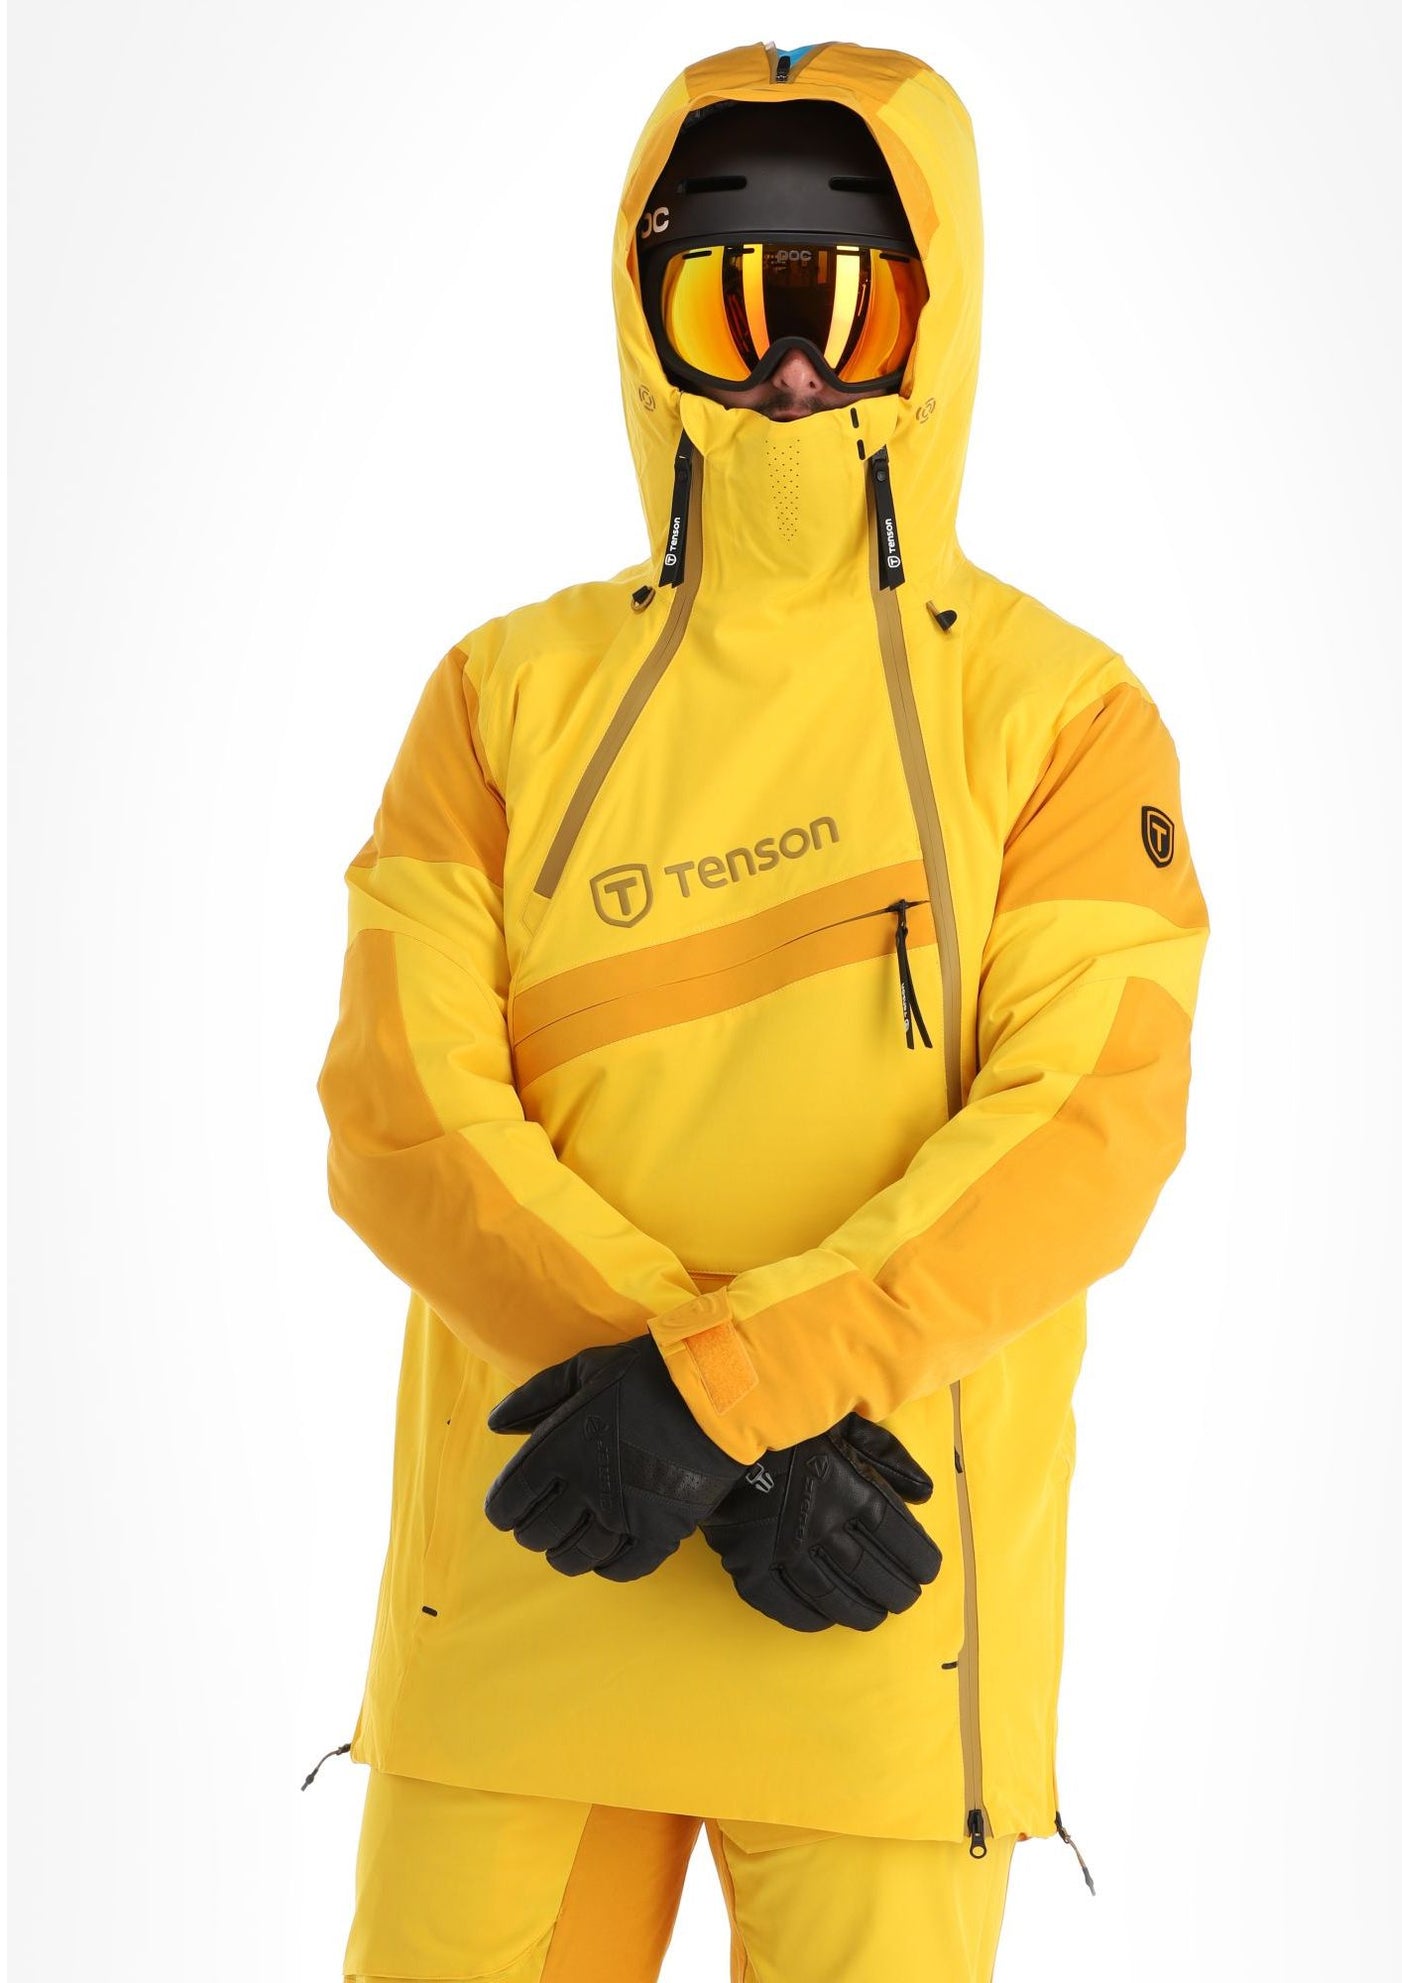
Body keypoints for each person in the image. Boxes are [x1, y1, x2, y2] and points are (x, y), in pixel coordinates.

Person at [313, 38, 1209, 1983]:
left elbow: (1085, 1128)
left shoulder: (1060, 715)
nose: (792, 369)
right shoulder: (499, 697)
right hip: (548, 1559)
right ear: (650, 326)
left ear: (936, 317)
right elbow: (400, 1113)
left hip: (865, 1591)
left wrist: (710, 1404)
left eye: (845, 304)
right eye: (734, 302)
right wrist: (709, 1413)